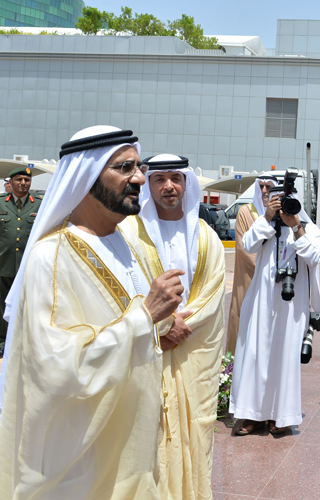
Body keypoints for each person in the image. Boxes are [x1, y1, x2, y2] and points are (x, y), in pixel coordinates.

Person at [0, 126, 184, 498]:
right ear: (85, 175)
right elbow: (55, 365)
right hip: (83, 460)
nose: (139, 178)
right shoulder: (51, 257)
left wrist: (160, 316)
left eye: (138, 167)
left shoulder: (124, 244)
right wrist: (145, 316)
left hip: (132, 444)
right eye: (124, 168)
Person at [118, 154, 226, 500]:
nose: (169, 186)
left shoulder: (206, 236)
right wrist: (162, 325)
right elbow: (125, 287)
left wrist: (179, 325)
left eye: (176, 179)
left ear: (186, 183)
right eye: (159, 179)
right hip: (147, 347)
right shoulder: (128, 233)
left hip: (191, 352)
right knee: (148, 431)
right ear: (147, 184)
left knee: (195, 430)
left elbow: (212, 291)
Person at [230, 176, 320, 435]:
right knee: (256, 356)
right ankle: (252, 415)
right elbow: (247, 244)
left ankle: (280, 416)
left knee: (285, 358)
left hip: (292, 308)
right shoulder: (266, 227)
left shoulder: (309, 228)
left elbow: (314, 256)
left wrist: (296, 228)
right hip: (261, 303)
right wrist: (268, 219)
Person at [0, 166, 41, 354]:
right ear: (10, 182)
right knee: (2, 304)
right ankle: (2, 341)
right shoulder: (1, 203)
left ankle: (22, 341)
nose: (23, 183)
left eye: (27, 180)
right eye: (19, 180)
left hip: (28, 265)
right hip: (4, 263)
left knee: (27, 303)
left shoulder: (39, 205)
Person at [226, 197, 260, 355]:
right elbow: (243, 247)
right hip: (250, 277)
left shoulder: (282, 213)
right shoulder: (246, 212)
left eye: (269, 186)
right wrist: (268, 268)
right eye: (262, 187)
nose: (266, 190)